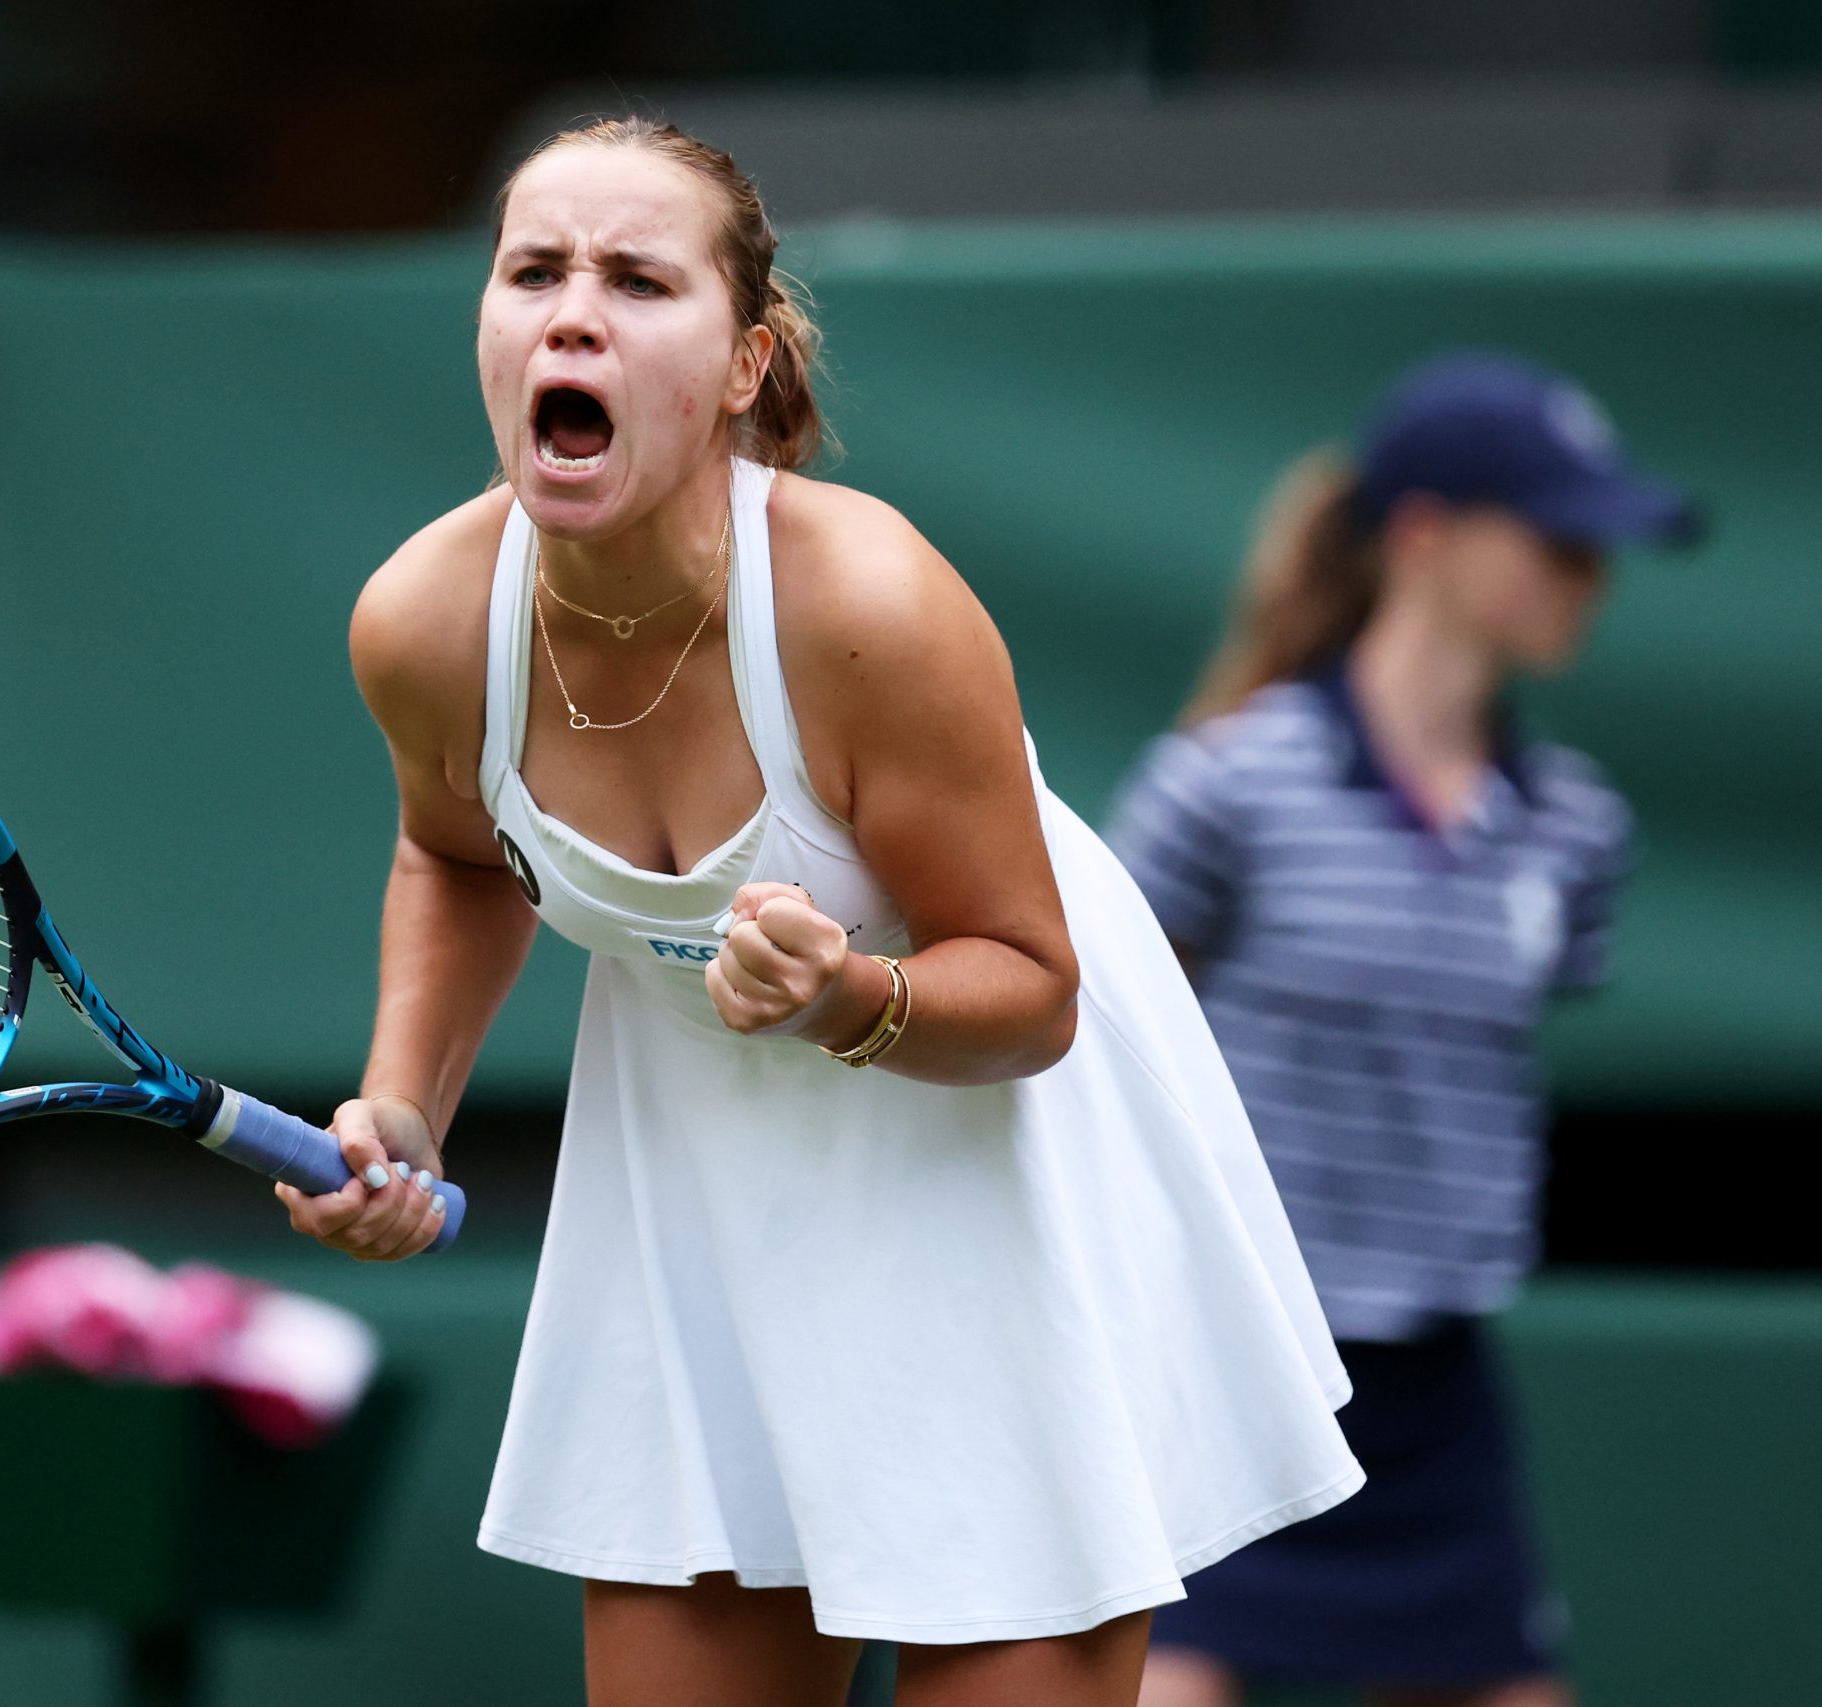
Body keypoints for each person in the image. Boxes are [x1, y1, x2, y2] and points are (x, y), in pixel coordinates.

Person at [276, 116, 1362, 1707]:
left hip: (997, 1185)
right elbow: (454, 854)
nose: (573, 312)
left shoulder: (871, 609)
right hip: (697, 1211)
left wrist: (851, 994)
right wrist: (404, 1101)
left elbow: (1035, 989)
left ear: (741, 366)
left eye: (639, 280)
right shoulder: (427, 622)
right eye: (533, 271)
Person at [1107, 352, 1699, 1707]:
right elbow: (1101, 1026)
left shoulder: (1577, 829)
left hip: (1437, 1397)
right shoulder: (1229, 784)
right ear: (1424, 536)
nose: (1589, 577)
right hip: (1227, 1370)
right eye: (1558, 541)